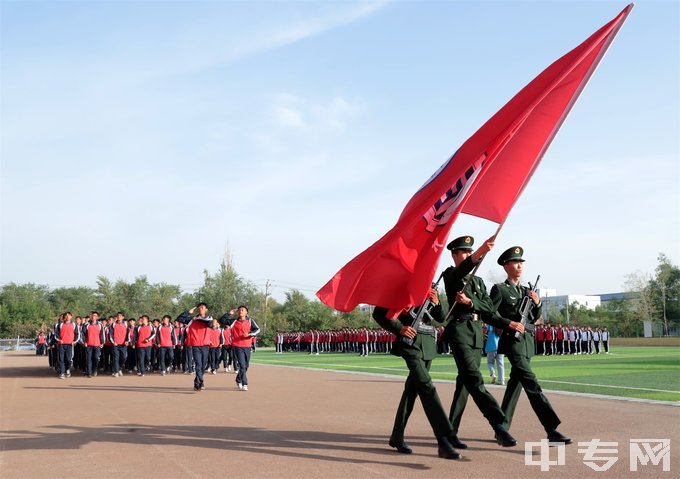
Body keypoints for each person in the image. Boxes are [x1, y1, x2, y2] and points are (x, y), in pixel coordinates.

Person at [443, 235, 519, 449]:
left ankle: (450, 432)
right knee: (475, 380)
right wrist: (476, 256)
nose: (467, 255)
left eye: (470, 251)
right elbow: (460, 272)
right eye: (464, 252)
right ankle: (499, 426)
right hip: (459, 332)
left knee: (465, 384)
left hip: (477, 334)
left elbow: (488, 310)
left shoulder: (477, 282)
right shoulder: (451, 275)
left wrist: (472, 303)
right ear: (454, 255)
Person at [491, 246, 571, 445]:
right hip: (512, 341)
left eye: (521, 262)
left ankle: (501, 427)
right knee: (531, 383)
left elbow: (535, 319)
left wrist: (536, 304)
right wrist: (507, 323)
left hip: (526, 342)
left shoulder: (526, 291)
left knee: (515, 384)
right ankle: (551, 429)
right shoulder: (500, 289)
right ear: (506, 266)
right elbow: (490, 314)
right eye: (516, 262)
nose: (520, 265)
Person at [373, 288, 462, 460]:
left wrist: (436, 302)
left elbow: (441, 319)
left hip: (427, 343)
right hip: (410, 342)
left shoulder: (430, 288)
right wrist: (399, 328)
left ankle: (397, 436)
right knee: (426, 386)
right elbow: (378, 313)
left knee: (412, 391)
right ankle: (444, 439)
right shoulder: (401, 285)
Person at [222, 305, 259, 391]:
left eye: (243, 310)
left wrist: (249, 334)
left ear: (246, 312)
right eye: (239, 310)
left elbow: (257, 330)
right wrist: (229, 313)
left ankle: (238, 379)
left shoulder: (250, 321)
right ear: (238, 312)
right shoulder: (234, 321)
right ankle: (244, 383)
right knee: (242, 365)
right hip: (237, 346)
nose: (241, 311)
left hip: (247, 346)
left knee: (246, 366)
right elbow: (222, 320)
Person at [177, 303, 214, 391]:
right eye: (199, 308)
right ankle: (200, 382)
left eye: (202, 307)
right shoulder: (191, 320)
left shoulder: (209, 318)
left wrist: (196, 318)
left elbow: (208, 323)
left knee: (202, 365)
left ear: (206, 309)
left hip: (205, 345)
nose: (200, 309)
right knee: (198, 364)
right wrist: (188, 313)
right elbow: (179, 319)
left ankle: (197, 382)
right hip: (195, 344)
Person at [55, 312, 80, 379]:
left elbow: (77, 334)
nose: (67, 317)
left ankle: (67, 369)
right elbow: (56, 334)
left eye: (69, 315)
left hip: (70, 344)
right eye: (66, 316)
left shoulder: (74, 325)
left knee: (68, 359)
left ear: (71, 316)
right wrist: (59, 340)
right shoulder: (60, 325)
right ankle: (62, 373)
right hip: (62, 344)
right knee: (61, 359)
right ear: (64, 317)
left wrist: (74, 341)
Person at [82, 312, 105, 378]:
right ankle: (89, 372)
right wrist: (84, 342)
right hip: (89, 344)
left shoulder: (100, 324)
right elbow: (83, 334)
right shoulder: (86, 324)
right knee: (88, 358)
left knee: (96, 358)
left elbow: (102, 334)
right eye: (92, 315)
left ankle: (94, 370)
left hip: (97, 344)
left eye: (95, 316)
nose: (93, 317)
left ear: (97, 317)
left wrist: (102, 342)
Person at [110, 312, 129, 377]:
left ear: (123, 317)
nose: (119, 317)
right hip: (115, 344)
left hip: (123, 344)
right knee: (116, 358)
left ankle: (119, 368)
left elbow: (128, 333)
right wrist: (113, 342)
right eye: (118, 316)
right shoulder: (113, 324)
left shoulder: (126, 324)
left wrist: (127, 341)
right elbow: (110, 334)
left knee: (124, 357)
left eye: (120, 316)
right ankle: (116, 372)